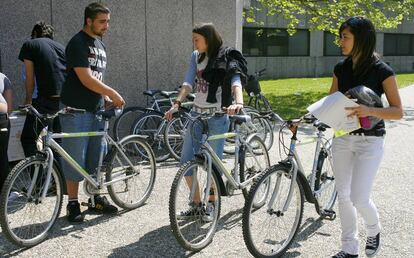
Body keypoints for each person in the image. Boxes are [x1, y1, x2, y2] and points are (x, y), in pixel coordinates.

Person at [329, 16, 403, 258]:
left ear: (361, 39)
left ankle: (374, 229)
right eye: (341, 36)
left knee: (359, 197)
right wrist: (305, 119)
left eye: (345, 37)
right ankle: (349, 248)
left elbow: (397, 111)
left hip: (371, 139)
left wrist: (370, 110)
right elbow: (330, 103)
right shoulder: (341, 68)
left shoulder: (382, 70)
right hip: (342, 137)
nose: (340, 41)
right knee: (343, 195)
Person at [165, 23, 247, 222]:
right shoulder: (196, 56)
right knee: (186, 160)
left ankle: (211, 204)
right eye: (193, 39)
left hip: (218, 115)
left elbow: (235, 80)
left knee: (212, 164)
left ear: (208, 39)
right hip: (196, 114)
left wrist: (238, 102)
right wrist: (177, 103)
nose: (194, 43)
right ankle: (196, 204)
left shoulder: (225, 56)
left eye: (196, 39)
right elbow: (188, 82)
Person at [60, 2, 125, 223]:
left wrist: (105, 97)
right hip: (76, 111)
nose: (107, 26)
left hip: (97, 111)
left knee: (95, 158)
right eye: (102, 21)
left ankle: (96, 198)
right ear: (89, 21)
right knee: (74, 160)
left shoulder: (101, 45)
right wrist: (113, 92)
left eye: (108, 21)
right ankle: (72, 203)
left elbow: (97, 79)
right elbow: (85, 77)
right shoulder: (78, 43)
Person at [18, 21, 65, 158]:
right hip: (63, 101)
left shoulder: (31, 45)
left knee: (28, 139)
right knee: (56, 141)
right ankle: (57, 177)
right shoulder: (61, 47)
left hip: (45, 100)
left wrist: (28, 101)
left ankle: (38, 178)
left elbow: (29, 77)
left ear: (34, 34)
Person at [0, 72, 12, 191]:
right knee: (2, 156)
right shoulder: (3, 77)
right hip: (3, 119)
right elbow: (10, 107)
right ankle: (5, 193)